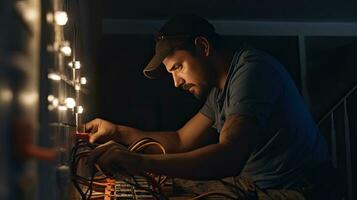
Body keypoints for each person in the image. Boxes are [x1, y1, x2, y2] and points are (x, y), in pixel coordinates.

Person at [86, 14, 335, 199]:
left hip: (298, 191)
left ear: (203, 47)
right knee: (163, 186)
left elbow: (229, 157)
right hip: (256, 184)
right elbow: (181, 139)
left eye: (178, 67)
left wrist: (139, 161)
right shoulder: (218, 90)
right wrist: (118, 132)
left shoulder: (253, 71)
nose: (176, 82)